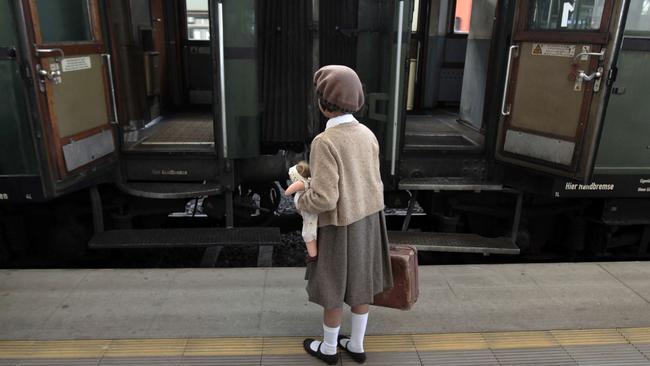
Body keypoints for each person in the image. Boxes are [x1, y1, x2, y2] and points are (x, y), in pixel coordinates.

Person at [292, 65, 393, 364]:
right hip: (370, 220)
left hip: (339, 225)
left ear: (323, 104)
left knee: (332, 288)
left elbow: (325, 198)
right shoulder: (368, 134)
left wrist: (300, 199)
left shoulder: (325, 142)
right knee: (362, 285)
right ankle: (357, 345)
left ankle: (329, 348)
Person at [285, 161, 318, 258]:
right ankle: (313, 254)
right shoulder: (307, 182)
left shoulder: (301, 183)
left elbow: (287, 192)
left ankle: (313, 255)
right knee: (311, 233)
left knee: (308, 234)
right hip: (307, 213)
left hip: (308, 215)